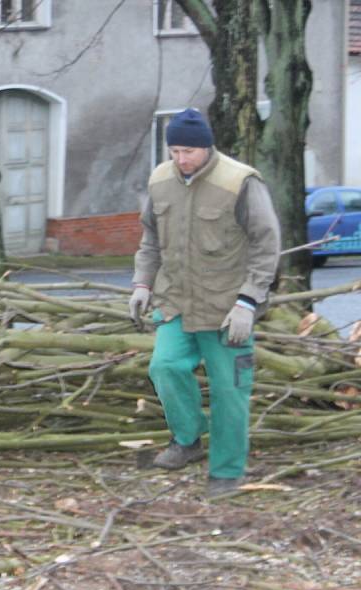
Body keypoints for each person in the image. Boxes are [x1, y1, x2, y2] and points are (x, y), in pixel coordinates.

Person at [129, 108, 281, 497]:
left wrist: (249, 301)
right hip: (176, 302)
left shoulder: (239, 182)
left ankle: (227, 472)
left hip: (227, 309)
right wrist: (142, 284)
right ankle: (188, 440)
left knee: (229, 391)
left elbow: (267, 244)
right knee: (164, 366)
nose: (181, 159)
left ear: (207, 147)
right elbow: (150, 239)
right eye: (175, 150)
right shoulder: (161, 181)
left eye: (189, 151)